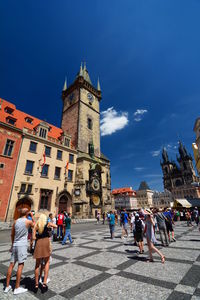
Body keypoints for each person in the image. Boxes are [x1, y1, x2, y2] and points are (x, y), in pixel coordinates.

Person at [4, 208, 35, 295]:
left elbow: (12, 234)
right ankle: (17, 287)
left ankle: (7, 286)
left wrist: (12, 244)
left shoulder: (15, 221)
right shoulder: (27, 221)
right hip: (22, 245)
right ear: (26, 213)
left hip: (15, 245)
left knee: (11, 264)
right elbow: (35, 226)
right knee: (20, 265)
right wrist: (32, 217)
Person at [33, 214, 57, 292]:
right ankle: (44, 283)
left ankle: (36, 285)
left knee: (37, 264)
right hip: (46, 242)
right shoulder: (48, 224)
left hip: (39, 243)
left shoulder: (37, 225)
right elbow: (56, 226)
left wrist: (38, 236)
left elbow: (33, 237)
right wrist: (49, 223)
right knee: (46, 263)